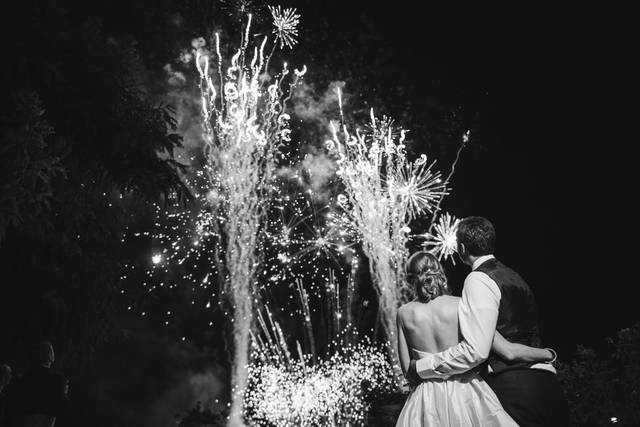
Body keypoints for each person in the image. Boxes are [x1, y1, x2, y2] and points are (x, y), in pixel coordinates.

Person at [407, 217, 569, 426]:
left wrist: (422, 366)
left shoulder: (478, 279)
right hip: (548, 384)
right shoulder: (515, 276)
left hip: (513, 388)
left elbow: (476, 350)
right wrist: (547, 354)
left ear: (462, 248)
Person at [4, 341, 69, 427]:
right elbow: (62, 408)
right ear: (50, 356)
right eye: (52, 351)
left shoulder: (22, 378)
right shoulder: (58, 380)